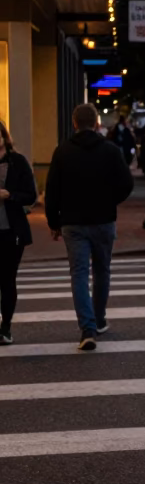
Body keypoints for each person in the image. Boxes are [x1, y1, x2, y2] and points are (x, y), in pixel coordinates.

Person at [45, 102, 134, 350]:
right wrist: (110, 200)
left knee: (79, 274)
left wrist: (54, 222)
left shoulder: (62, 152)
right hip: (104, 220)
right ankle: (100, 318)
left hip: (73, 223)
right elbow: (126, 184)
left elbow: (52, 191)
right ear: (96, 123)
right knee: (102, 271)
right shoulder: (110, 151)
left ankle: (87, 328)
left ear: (74, 123)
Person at [0, 121, 37, 344]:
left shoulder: (17, 162)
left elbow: (30, 195)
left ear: (4, 137)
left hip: (10, 230)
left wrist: (10, 195)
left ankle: (5, 327)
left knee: (7, 280)